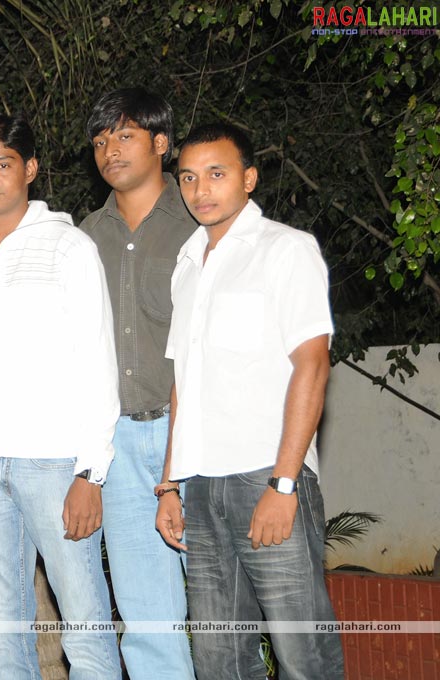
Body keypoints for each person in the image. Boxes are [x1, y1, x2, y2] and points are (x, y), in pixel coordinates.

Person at [156, 122, 344, 679]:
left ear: (249, 178)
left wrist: (284, 484)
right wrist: (170, 485)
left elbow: (312, 364)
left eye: (217, 174)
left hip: (267, 475)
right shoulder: (187, 265)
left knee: (303, 656)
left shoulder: (286, 249)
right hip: (202, 486)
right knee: (219, 661)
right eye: (188, 177)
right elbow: (182, 385)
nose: (201, 190)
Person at [0, 114, 122, 680]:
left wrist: (90, 473)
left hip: (55, 465)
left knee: (86, 625)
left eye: (2, 164)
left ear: (30, 169)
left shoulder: (69, 247)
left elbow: (99, 361)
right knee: (1, 631)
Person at [77, 88, 196, 679]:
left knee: (227, 606)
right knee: (148, 622)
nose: (109, 150)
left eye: (123, 135)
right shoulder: (82, 238)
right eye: (100, 141)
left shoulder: (199, 224)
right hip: (118, 446)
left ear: (160, 142)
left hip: (197, 437)